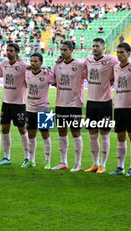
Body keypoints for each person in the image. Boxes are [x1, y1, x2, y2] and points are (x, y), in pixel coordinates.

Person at [84, 38, 119, 174]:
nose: (94, 48)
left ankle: (103, 164)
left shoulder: (111, 60)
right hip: (91, 102)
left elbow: (121, 68)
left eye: (97, 46)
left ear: (103, 48)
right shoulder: (88, 60)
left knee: (104, 135)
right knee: (92, 135)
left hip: (105, 102)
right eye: (93, 46)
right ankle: (95, 163)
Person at [51, 40, 86, 172]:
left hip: (74, 105)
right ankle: (63, 162)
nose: (63, 52)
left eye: (65, 49)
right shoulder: (58, 65)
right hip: (60, 104)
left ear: (72, 50)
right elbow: (52, 78)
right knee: (61, 132)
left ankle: (78, 163)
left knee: (76, 133)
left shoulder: (80, 65)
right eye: (61, 49)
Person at [109, 42, 131, 177]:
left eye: (122, 52)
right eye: (118, 52)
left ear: (129, 53)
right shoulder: (115, 67)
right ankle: (120, 167)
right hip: (119, 107)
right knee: (120, 137)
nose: (119, 54)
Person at [0, 43, 29, 166]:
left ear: (17, 52)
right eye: (7, 50)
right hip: (6, 102)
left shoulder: (23, 66)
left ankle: (27, 157)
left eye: (11, 50)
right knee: (5, 128)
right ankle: (6, 157)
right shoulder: (3, 64)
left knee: (22, 128)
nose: (8, 52)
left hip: (19, 103)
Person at [25, 53, 55, 169]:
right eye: (31, 61)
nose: (33, 63)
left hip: (44, 109)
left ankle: (47, 161)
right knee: (31, 135)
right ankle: (31, 160)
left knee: (45, 135)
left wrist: (49, 69)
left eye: (36, 61)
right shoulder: (26, 72)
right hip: (30, 109)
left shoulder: (47, 74)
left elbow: (55, 80)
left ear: (41, 62)